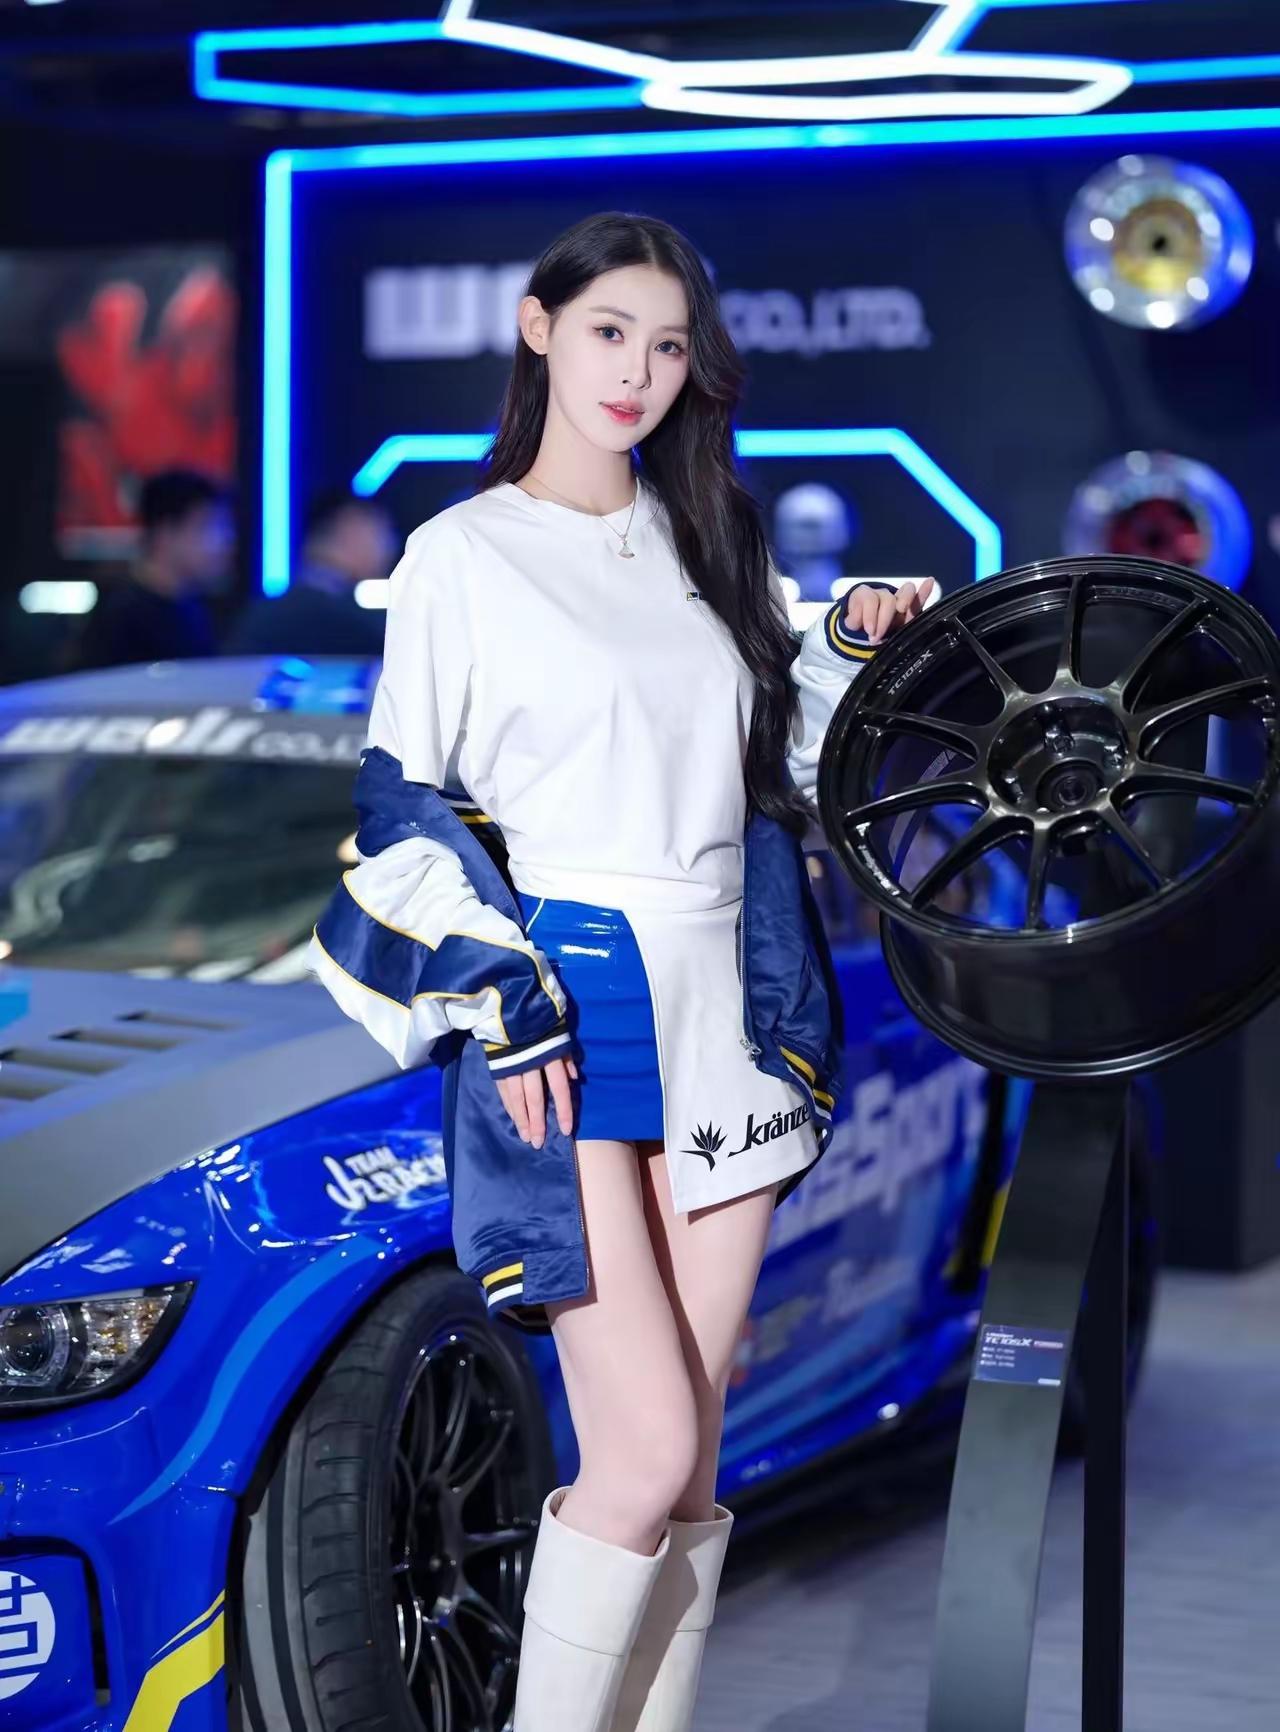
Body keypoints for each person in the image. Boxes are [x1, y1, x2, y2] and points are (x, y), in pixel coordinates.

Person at [307, 211, 934, 1732]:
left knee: (688, 1463)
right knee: (642, 1452)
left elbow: (777, 771)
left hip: (738, 1006)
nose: (636, 373)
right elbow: (397, 807)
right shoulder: (460, 555)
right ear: (538, 328)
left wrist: (847, 645)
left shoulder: (712, 540)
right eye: (608, 333)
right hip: (572, 1009)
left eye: (666, 346)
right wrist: (498, 990)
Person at [64, 468, 233, 672]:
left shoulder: (193, 609)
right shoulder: (120, 618)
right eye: (207, 526)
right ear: (165, 533)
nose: (224, 541)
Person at [223, 487, 396, 657]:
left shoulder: (265, 613)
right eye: (382, 532)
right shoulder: (341, 622)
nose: (391, 546)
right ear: (350, 530)